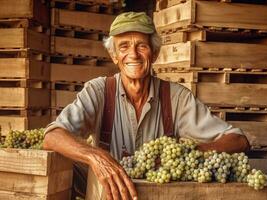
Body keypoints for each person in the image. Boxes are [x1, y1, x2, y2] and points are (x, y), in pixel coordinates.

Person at [43, 12, 250, 200]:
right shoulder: (99, 91)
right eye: (124, 46)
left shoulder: (176, 98)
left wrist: (190, 152)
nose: (133, 54)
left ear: (154, 53)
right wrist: (96, 157)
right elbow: (52, 136)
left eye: (141, 45)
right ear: (114, 56)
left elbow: (239, 141)